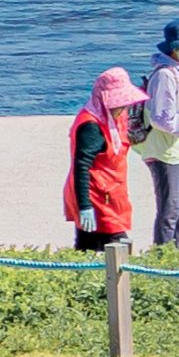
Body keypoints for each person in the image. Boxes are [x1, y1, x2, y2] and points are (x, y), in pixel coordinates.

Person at [137, 18, 179, 247]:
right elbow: (161, 118)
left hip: (178, 148)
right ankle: (163, 258)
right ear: (177, 50)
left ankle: (178, 248)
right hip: (163, 150)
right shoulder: (165, 75)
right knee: (170, 207)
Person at [64, 64, 143, 250]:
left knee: (110, 246)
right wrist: (84, 206)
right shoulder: (91, 126)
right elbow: (81, 166)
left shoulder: (114, 118)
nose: (123, 107)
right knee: (101, 248)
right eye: (119, 103)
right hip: (96, 197)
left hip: (113, 193)